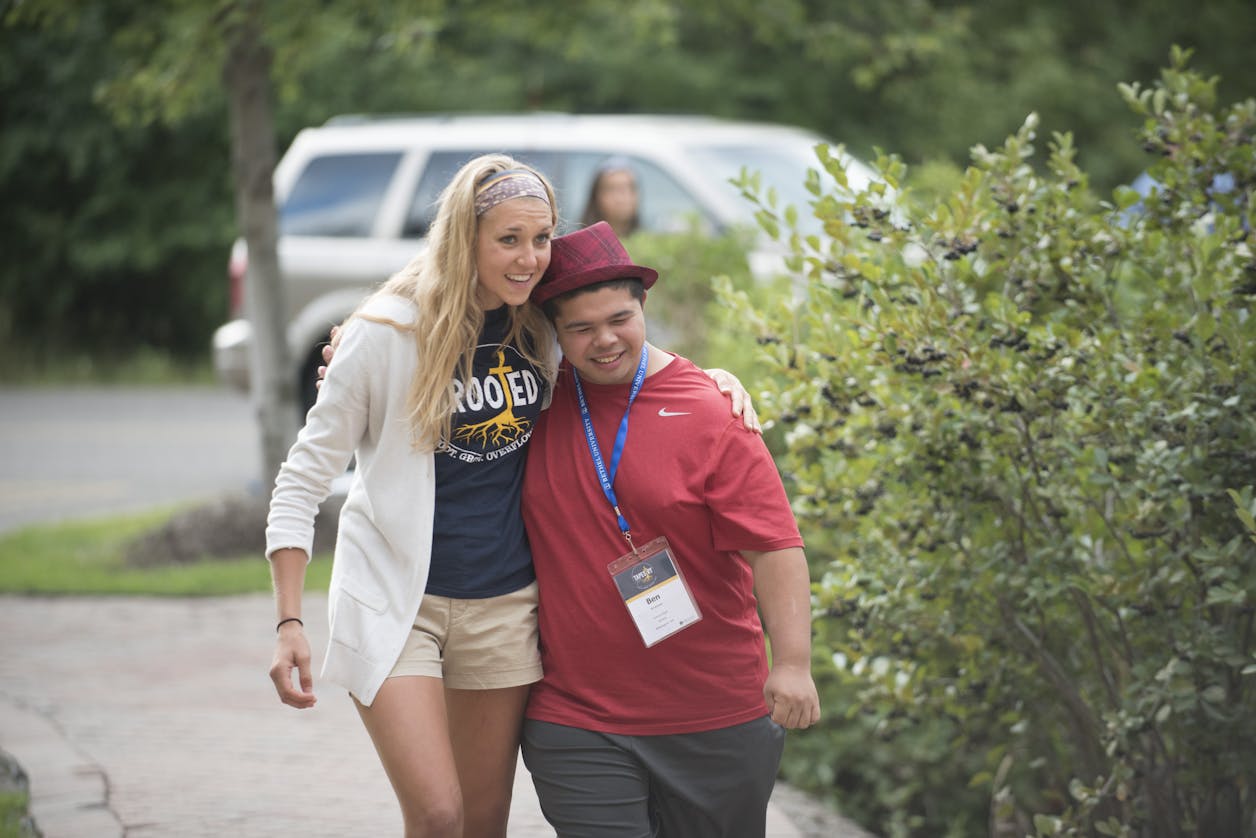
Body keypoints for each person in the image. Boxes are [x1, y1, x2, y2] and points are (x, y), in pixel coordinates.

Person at [271, 156, 757, 837]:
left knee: (482, 822)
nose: (529, 258)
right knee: (438, 815)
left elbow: (616, 351)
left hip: (502, 605)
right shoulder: (387, 335)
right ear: (463, 239)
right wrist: (289, 622)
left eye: (541, 238)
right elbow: (301, 478)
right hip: (394, 600)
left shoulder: (538, 329)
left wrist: (712, 380)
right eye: (509, 239)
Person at [520, 222, 821, 837]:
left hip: (714, 716)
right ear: (554, 331)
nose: (604, 341)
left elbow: (773, 545)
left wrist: (792, 663)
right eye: (580, 328)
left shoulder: (712, 410)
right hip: (576, 717)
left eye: (619, 319)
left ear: (644, 306)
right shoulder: (534, 405)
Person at [580, 156, 640, 239]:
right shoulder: (584, 243)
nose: (621, 198)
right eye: (612, 189)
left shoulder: (649, 243)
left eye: (628, 188)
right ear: (597, 196)